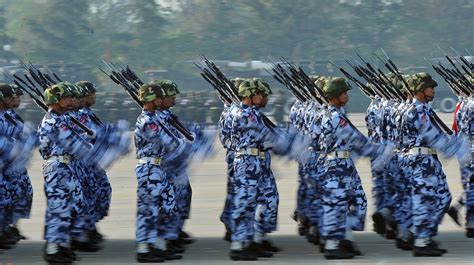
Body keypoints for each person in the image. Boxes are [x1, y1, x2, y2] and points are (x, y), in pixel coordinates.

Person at [318, 77, 393, 259]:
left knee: (358, 200)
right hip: (335, 166)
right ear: (335, 96)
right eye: (344, 93)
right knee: (336, 205)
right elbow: (356, 139)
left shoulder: (337, 114)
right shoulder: (335, 117)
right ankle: (332, 244)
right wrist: (380, 150)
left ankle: (344, 236)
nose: (346, 96)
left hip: (345, 164)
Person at [401, 72, 469, 257]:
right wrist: (455, 148)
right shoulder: (416, 111)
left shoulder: (424, 109)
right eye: (429, 87)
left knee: (443, 198)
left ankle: (420, 234)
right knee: (427, 201)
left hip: (429, 161)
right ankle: (421, 242)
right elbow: (432, 135)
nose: (433, 90)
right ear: (419, 91)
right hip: (421, 162)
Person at [134, 82, 185, 262]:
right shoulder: (148, 121)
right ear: (150, 99)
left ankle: (156, 244)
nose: (162, 100)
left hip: (158, 167)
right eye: (158, 97)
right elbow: (168, 141)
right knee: (148, 208)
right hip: (149, 168)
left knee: (164, 206)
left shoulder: (154, 118)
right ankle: (144, 249)